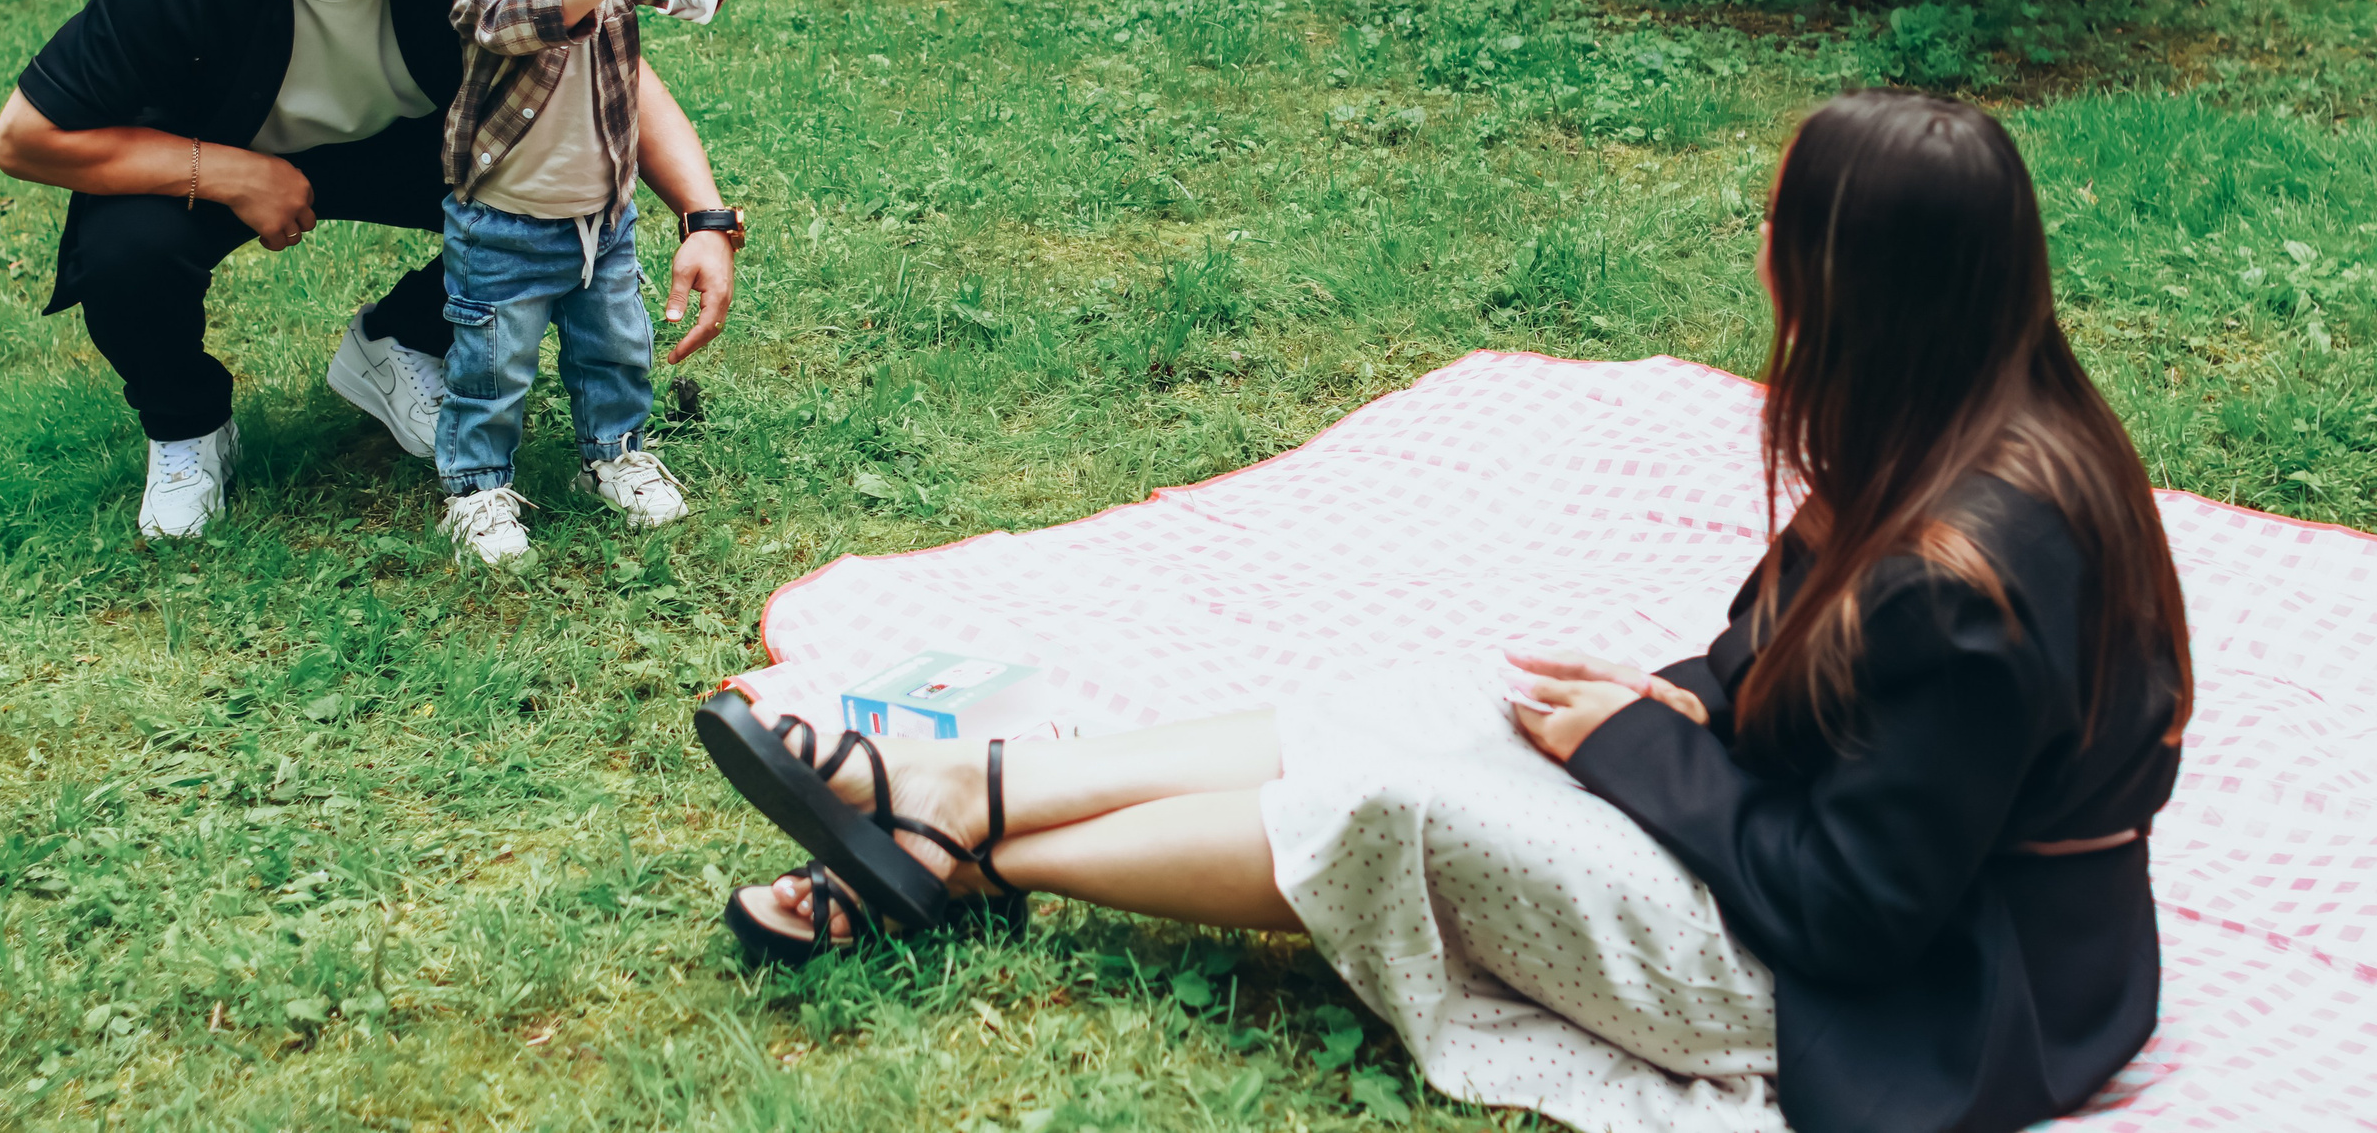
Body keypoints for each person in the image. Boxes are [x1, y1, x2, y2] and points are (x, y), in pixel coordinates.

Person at [694, 91, 2194, 1133]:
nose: (1757, 249)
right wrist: (1682, 698)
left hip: (1894, 994)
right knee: (1448, 695)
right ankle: (966, 798)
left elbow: (1858, 911)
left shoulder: (1971, 572)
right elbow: (1821, 694)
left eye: (1779, 223)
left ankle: (962, 849)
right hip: (1835, 875)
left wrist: (1637, 749)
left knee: (1415, 798)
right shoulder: (1970, 420)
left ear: (1849, 281)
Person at [0, 0, 746, 539]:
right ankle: (187, 428)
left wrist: (705, 216)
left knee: (551, 196)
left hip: (424, 153)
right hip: (217, 166)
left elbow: (609, 75)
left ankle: (399, 339)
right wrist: (229, 173)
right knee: (125, 250)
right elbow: (23, 136)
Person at [432, 0, 731, 562]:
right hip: (504, 220)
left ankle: (616, 454)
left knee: (616, 348)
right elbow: (504, 18)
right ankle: (477, 487)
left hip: (604, 215)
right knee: (493, 364)